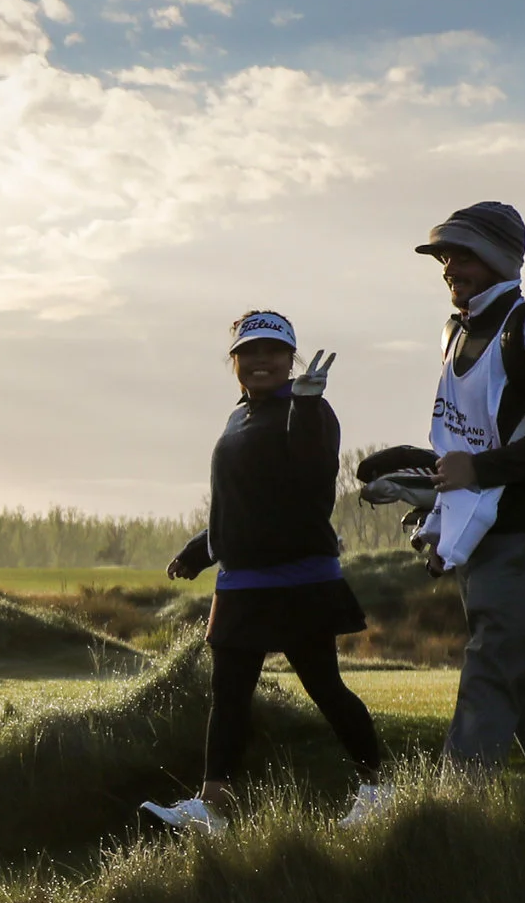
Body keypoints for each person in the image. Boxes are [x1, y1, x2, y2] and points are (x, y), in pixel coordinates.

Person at [142, 309, 388, 834]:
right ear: (234, 360)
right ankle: (212, 809)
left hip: (299, 578)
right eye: (248, 352)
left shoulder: (311, 411)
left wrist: (306, 402)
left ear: (290, 359)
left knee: (324, 686)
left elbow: (311, 475)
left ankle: (379, 788)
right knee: (228, 695)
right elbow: (238, 504)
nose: (260, 362)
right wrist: (199, 550)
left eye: (273, 352)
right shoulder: (238, 417)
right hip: (242, 580)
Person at [413, 201, 525, 786]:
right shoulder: (458, 331)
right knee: (519, 674)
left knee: (491, 665)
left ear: (498, 259)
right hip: (487, 532)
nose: (449, 266)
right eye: (445, 255)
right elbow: (464, 442)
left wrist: (480, 472)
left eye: (462, 253)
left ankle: (453, 807)